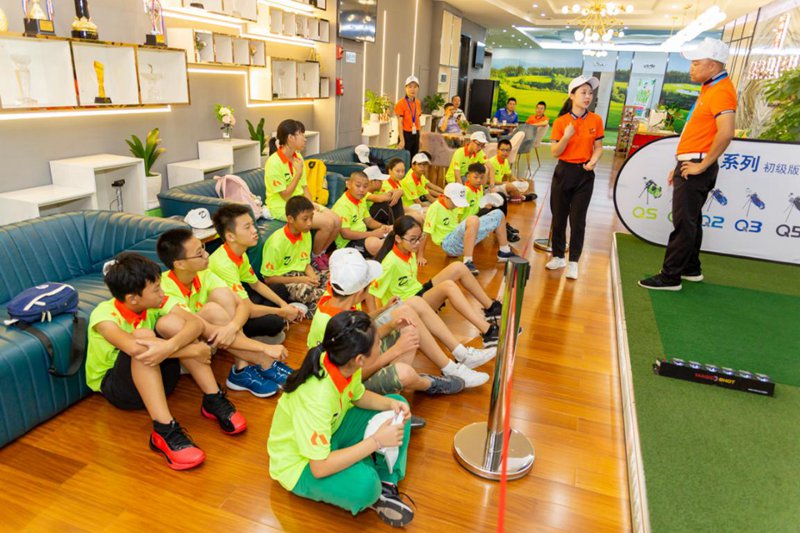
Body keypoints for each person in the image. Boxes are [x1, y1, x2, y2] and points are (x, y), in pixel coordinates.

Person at [86, 253, 243, 470]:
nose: (162, 292)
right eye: (156, 289)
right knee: (142, 338)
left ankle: (213, 398)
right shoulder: (104, 316)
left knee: (172, 323)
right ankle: (163, 429)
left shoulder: (156, 301)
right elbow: (135, 349)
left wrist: (171, 346)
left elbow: (196, 324)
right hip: (120, 389)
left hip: (160, 375)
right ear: (133, 299)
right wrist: (191, 350)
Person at [267, 311, 415, 528]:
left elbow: (358, 396)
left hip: (332, 431)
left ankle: (386, 483)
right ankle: (372, 477)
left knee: (398, 405)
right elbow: (319, 467)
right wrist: (376, 441)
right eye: (377, 342)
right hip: (300, 465)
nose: (380, 343)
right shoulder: (317, 396)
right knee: (366, 486)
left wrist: (390, 405)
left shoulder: (342, 361)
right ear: (360, 359)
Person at [639, 39, 737, 291]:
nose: (691, 68)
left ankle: (670, 277)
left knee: (684, 223)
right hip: (689, 161)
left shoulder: (721, 91)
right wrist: (682, 163)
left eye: (696, 63)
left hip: (696, 164)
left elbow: (726, 132)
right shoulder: (710, 88)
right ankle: (691, 269)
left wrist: (701, 165)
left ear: (713, 65)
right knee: (691, 219)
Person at [307, 248, 471, 397]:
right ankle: (423, 386)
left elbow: (361, 330)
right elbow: (352, 375)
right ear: (360, 292)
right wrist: (395, 350)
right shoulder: (336, 325)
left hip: (356, 360)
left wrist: (389, 320)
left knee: (409, 326)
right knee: (405, 372)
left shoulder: (338, 299)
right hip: (346, 387)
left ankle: (449, 366)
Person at [157, 229, 292, 397]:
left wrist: (232, 327)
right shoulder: (164, 288)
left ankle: (242, 369)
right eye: (199, 253)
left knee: (223, 296)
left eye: (203, 248)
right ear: (180, 264)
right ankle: (264, 362)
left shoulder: (204, 273)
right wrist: (264, 349)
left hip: (213, 339)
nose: (206, 255)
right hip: (185, 352)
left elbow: (242, 305)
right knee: (211, 311)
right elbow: (200, 326)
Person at [207, 204, 302, 394]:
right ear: (230, 236)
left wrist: (284, 305)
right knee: (274, 322)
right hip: (224, 317)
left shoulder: (238, 253)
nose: (254, 230)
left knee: (278, 290)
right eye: (247, 227)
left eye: (253, 224)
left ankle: (252, 356)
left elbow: (256, 284)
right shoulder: (223, 263)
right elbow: (247, 309)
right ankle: (247, 365)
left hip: (238, 307)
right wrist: (282, 312)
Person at [372, 215, 504, 346]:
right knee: (448, 286)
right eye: (412, 240)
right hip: (409, 305)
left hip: (419, 292)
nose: (417, 243)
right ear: (398, 239)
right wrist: (377, 322)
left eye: (419, 238)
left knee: (458, 267)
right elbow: (371, 292)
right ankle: (488, 330)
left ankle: (491, 308)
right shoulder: (390, 263)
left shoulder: (409, 250)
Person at [545, 75, 604, 281]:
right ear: (572, 95)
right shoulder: (561, 122)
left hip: (584, 175)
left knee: (578, 220)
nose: (588, 97)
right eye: (583, 92)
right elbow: (555, 152)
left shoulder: (596, 120)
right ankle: (558, 256)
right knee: (559, 217)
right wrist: (566, 137)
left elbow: (598, 147)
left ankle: (573, 262)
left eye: (590, 93)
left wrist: (593, 160)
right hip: (563, 173)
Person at [265, 119, 342, 271]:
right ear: (290, 138)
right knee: (327, 223)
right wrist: (298, 173)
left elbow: (305, 187)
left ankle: (321, 253)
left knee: (337, 220)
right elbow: (285, 195)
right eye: (301, 135)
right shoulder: (273, 162)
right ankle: (314, 257)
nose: (304, 139)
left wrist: (311, 205)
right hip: (283, 206)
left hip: (300, 202)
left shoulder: (298, 157)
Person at [424, 172, 520, 276]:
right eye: (455, 202)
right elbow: (425, 232)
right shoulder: (434, 208)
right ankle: (467, 261)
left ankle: (504, 251)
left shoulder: (454, 206)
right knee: (473, 219)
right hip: (448, 243)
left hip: (459, 238)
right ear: (445, 197)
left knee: (498, 214)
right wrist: (420, 256)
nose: (457, 206)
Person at [260, 196, 330, 314]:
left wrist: (313, 277)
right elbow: (268, 279)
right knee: (306, 291)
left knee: (331, 277)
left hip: (302, 273)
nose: (309, 223)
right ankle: (324, 302)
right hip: (285, 278)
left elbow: (305, 263)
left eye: (311, 218)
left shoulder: (305, 233)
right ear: (290, 219)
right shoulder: (276, 242)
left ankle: (320, 302)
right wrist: (300, 279)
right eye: (305, 219)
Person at [330, 170, 392, 258]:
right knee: (374, 244)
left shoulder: (361, 199)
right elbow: (346, 234)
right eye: (358, 186)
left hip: (363, 235)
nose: (362, 190)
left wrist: (384, 227)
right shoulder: (343, 205)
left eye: (365, 186)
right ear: (348, 184)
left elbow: (369, 221)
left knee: (392, 231)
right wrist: (373, 234)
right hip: (347, 243)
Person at [463, 160, 520, 244]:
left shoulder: (479, 187)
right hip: (470, 221)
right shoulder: (465, 191)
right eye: (475, 177)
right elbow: (461, 213)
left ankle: (503, 225)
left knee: (501, 196)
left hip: (479, 212)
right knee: (488, 211)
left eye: (481, 178)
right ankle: (502, 231)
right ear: (468, 176)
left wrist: (486, 204)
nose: (479, 180)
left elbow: (479, 202)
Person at [486, 138, 535, 207]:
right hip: (491, 188)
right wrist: (503, 183)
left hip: (501, 185)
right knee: (509, 186)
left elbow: (510, 175)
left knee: (525, 184)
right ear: (497, 150)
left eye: (508, 150)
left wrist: (517, 180)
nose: (505, 152)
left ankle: (509, 196)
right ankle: (522, 197)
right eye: (503, 150)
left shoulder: (505, 161)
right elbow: (487, 181)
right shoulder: (491, 162)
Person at [394, 75, 422, 157]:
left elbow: (418, 120)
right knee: (405, 159)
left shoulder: (418, 103)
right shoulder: (401, 103)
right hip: (405, 135)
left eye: (415, 87)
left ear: (418, 88)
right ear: (405, 88)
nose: (413, 89)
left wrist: (420, 137)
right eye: (410, 87)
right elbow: (399, 123)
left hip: (415, 134)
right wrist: (402, 140)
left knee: (414, 159)